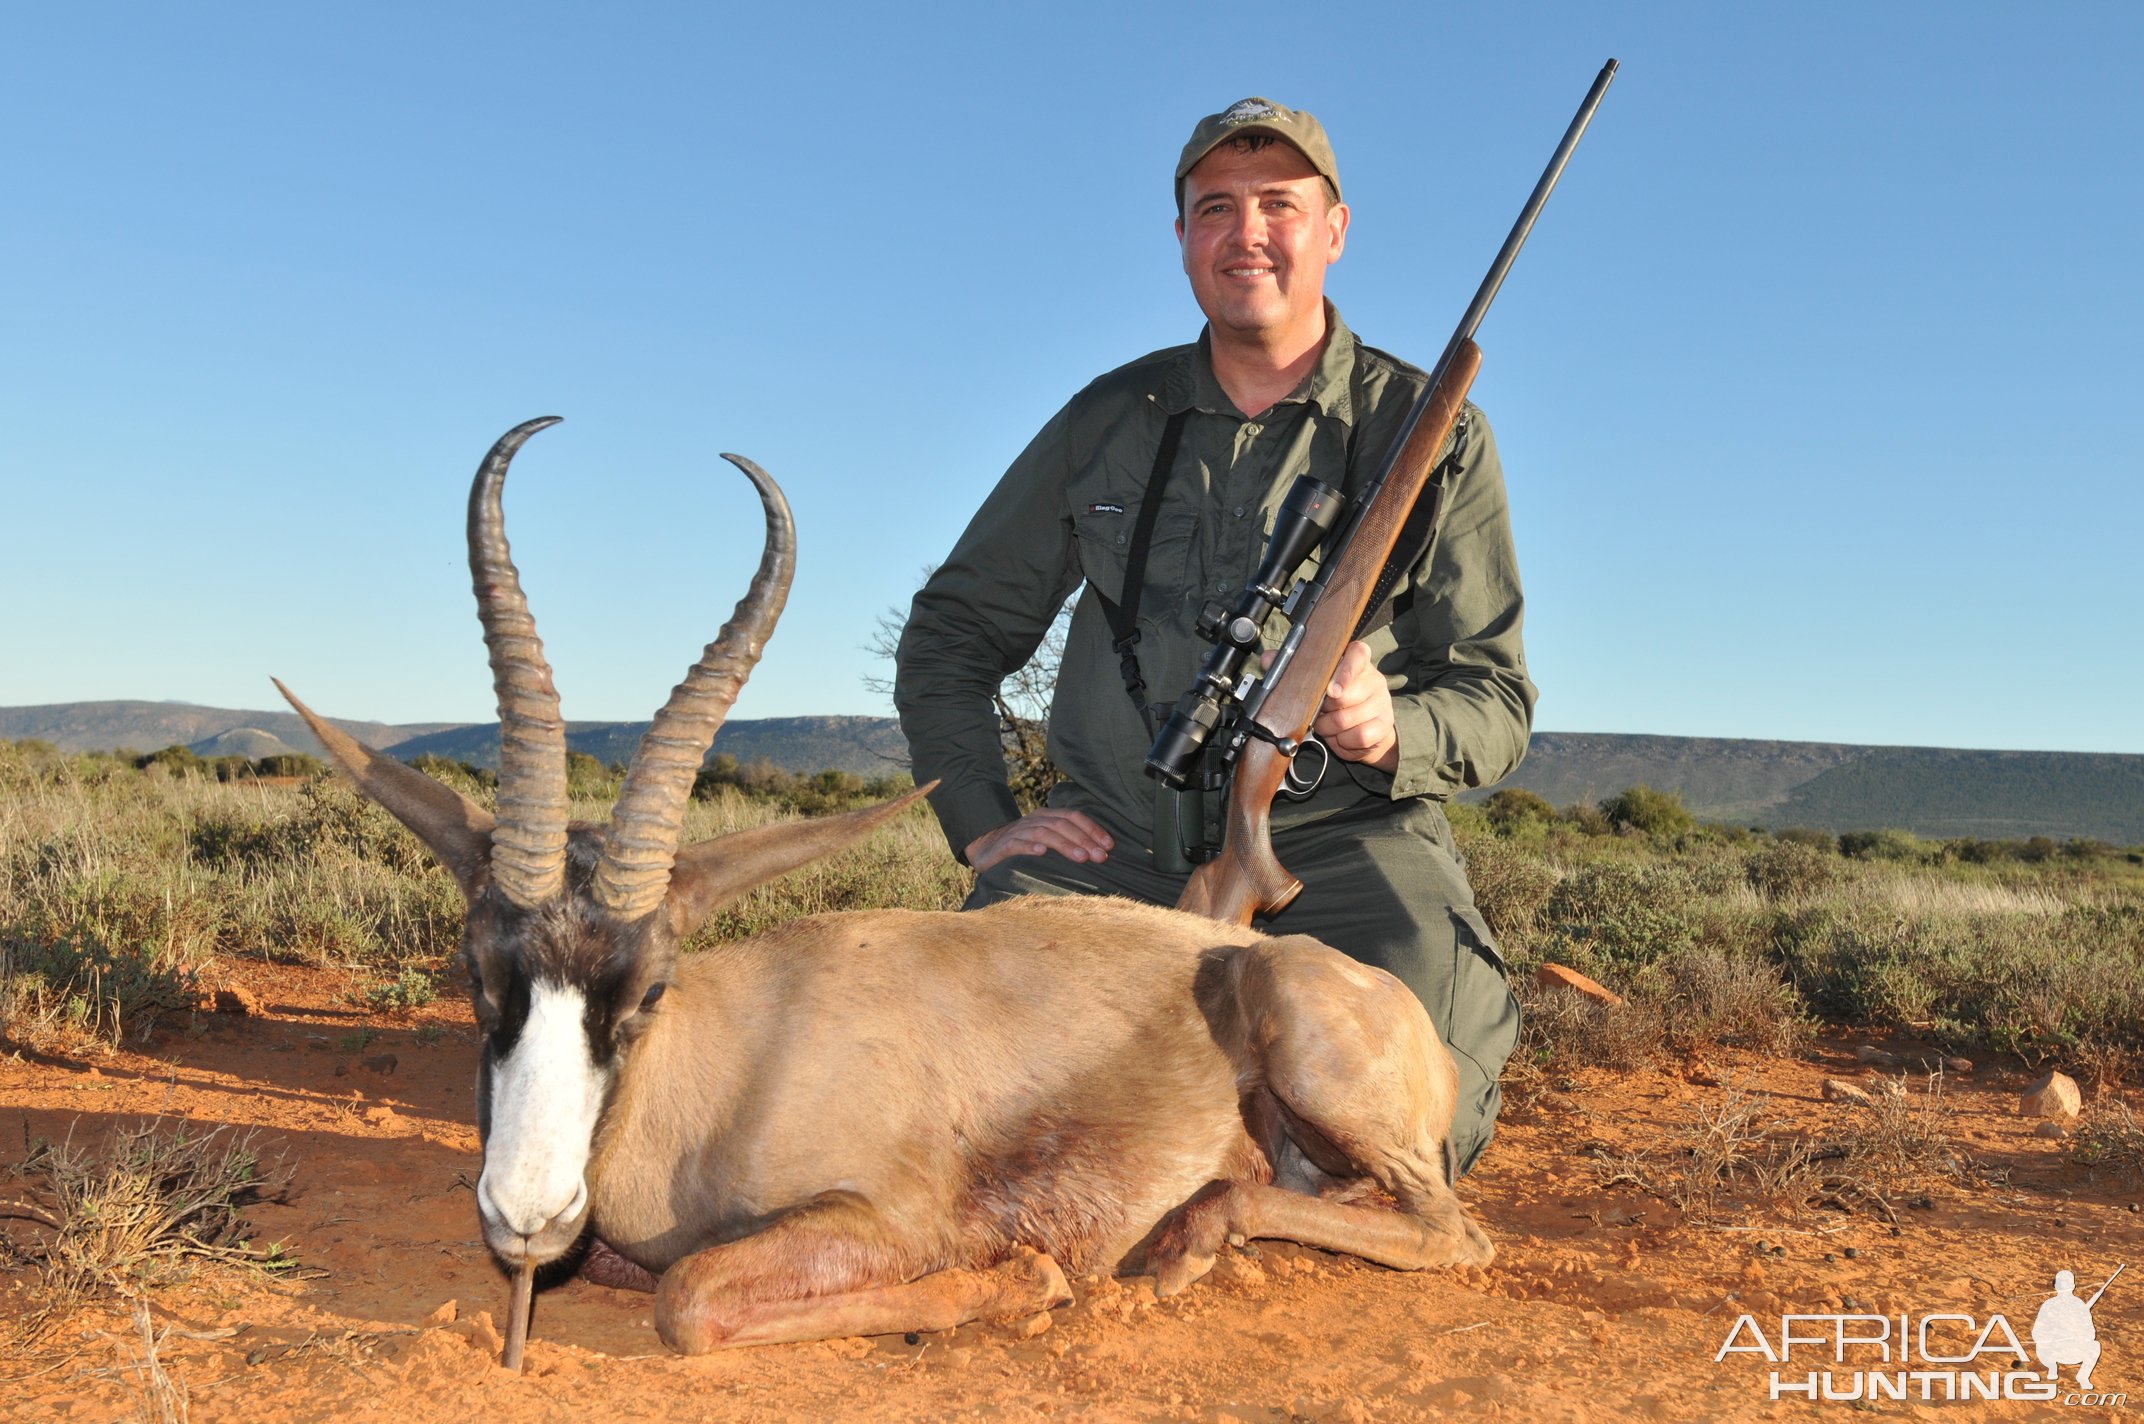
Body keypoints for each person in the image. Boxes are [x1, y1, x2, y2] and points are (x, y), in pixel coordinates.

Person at [893, 97, 1534, 1177]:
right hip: (1111, 847)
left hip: (1342, 841)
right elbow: (951, 632)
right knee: (932, 1075)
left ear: (1332, 228)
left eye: (1279, 204)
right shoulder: (1107, 417)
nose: (1247, 233)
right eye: (1215, 208)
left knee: (1408, 1110)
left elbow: (1492, 699)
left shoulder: (1429, 430)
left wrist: (1392, 725)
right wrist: (980, 821)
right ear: (1183, 235)